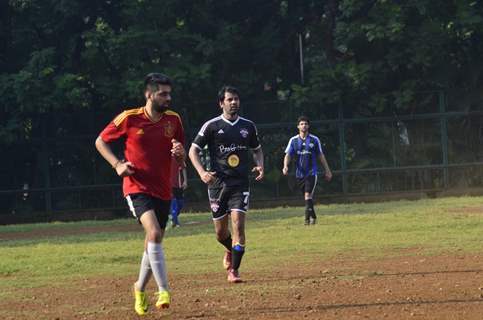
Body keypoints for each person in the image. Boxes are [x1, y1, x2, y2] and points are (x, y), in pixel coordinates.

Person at [95, 73, 185, 316]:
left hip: (163, 189)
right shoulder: (129, 118)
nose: (169, 98)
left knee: (153, 241)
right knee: (154, 232)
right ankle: (164, 290)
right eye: (163, 94)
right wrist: (117, 165)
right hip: (136, 187)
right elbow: (100, 141)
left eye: (169, 93)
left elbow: (181, 154)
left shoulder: (174, 120)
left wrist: (179, 154)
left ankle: (138, 288)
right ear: (149, 94)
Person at [188, 85, 264, 283]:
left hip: (240, 183)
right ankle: (229, 249)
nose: (234, 102)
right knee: (221, 233)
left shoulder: (248, 126)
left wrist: (260, 165)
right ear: (221, 103)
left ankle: (234, 271)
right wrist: (202, 172)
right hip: (217, 184)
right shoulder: (212, 126)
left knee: (238, 226)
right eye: (229, 99)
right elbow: (192, 151)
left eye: (236, 99)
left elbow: (257, 149)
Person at [282, 116, 332, 225]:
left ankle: (306, 220)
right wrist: (285, 166)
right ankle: (313, 216)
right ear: (298, 126)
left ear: (308, 126)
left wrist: (327, 170)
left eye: (305, 124)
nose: (303, 126)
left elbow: (321, 155)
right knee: (307, 197)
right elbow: (288, 155)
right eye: (301, 124)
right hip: (299, 174)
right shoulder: (293, 140)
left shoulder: (314, 140)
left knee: (307, 195)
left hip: (311, 173)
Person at [169, 160, 187, 227]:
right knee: (174, 205)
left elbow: (183, 168)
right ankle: (176, 222)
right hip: (169, 185)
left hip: (179, 184)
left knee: (180, 204)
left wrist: (185, 181)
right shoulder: (164, 155)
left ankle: (173, 218)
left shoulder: (177, 154)